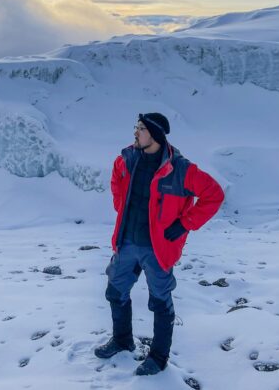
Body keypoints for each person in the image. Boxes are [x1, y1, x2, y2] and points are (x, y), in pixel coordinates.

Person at [94, 112, 225, 375]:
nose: (135, 132)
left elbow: (214, 195)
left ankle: (158, 357)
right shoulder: (128, 159)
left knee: (160, 301)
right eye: (136, 127)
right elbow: (116, 176)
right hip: (127, 242)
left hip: (158, 248)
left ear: (154, 134)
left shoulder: (181, 170)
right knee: (115, 292)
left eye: (140, 128)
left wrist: (184, 224)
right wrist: (121, 206)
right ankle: (122, 340)